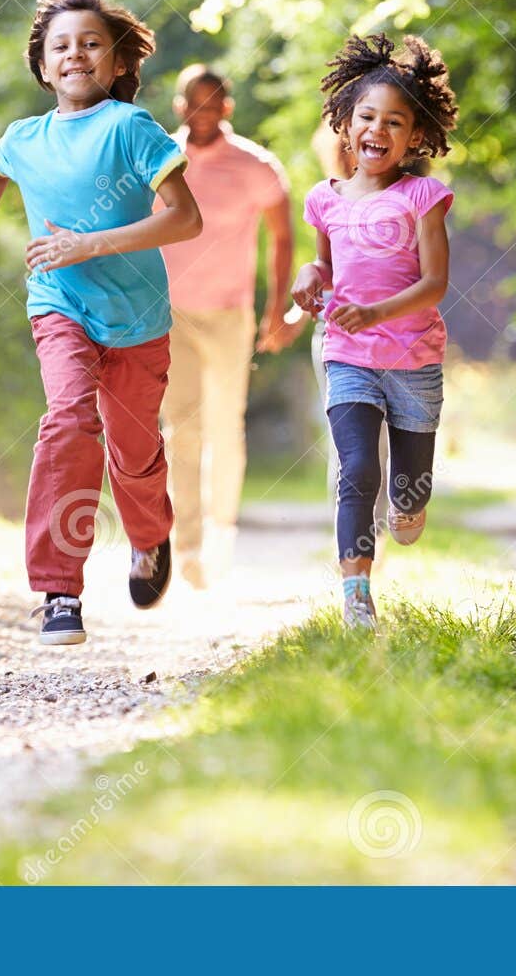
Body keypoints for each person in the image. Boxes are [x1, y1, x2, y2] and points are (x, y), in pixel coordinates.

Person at [0, 0, 203, 646]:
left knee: (134, 453)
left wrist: (89, 243)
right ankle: (58, 589)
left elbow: (185, 218)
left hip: (137, 319)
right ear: (42, 65)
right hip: (58, 305)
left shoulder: (131, 128)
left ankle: (150, 537)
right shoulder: (24, 137)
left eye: (92, 43)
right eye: (60, 45)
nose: (75, 54)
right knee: (67, 419)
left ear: (117, 62)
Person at [290, 33, 459, 630]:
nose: (377, 131)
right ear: (345, 121)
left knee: (407, 498)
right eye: (366, 116)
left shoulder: (423, 197)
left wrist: (378, 313)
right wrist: (310, 278)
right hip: (349, 356)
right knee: (357, 468)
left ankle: (407, 512)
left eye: (394, 121)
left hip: (413, 362)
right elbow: (325, 269)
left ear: (415, 135)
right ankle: (356, 594)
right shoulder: (324, 199)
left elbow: (435, 283)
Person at [158, 64, 296, 588]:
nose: (204, 113)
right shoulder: (161, 159)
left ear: (228, 108)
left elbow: (282, 238)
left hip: (230, 314)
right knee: (182, 429)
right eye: (195, 103)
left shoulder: (256, 166)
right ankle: (186, 544)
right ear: (180, 106)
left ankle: (221, 531)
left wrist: (276, 308)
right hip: (170, 314)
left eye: (214, 103)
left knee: (225, 427)